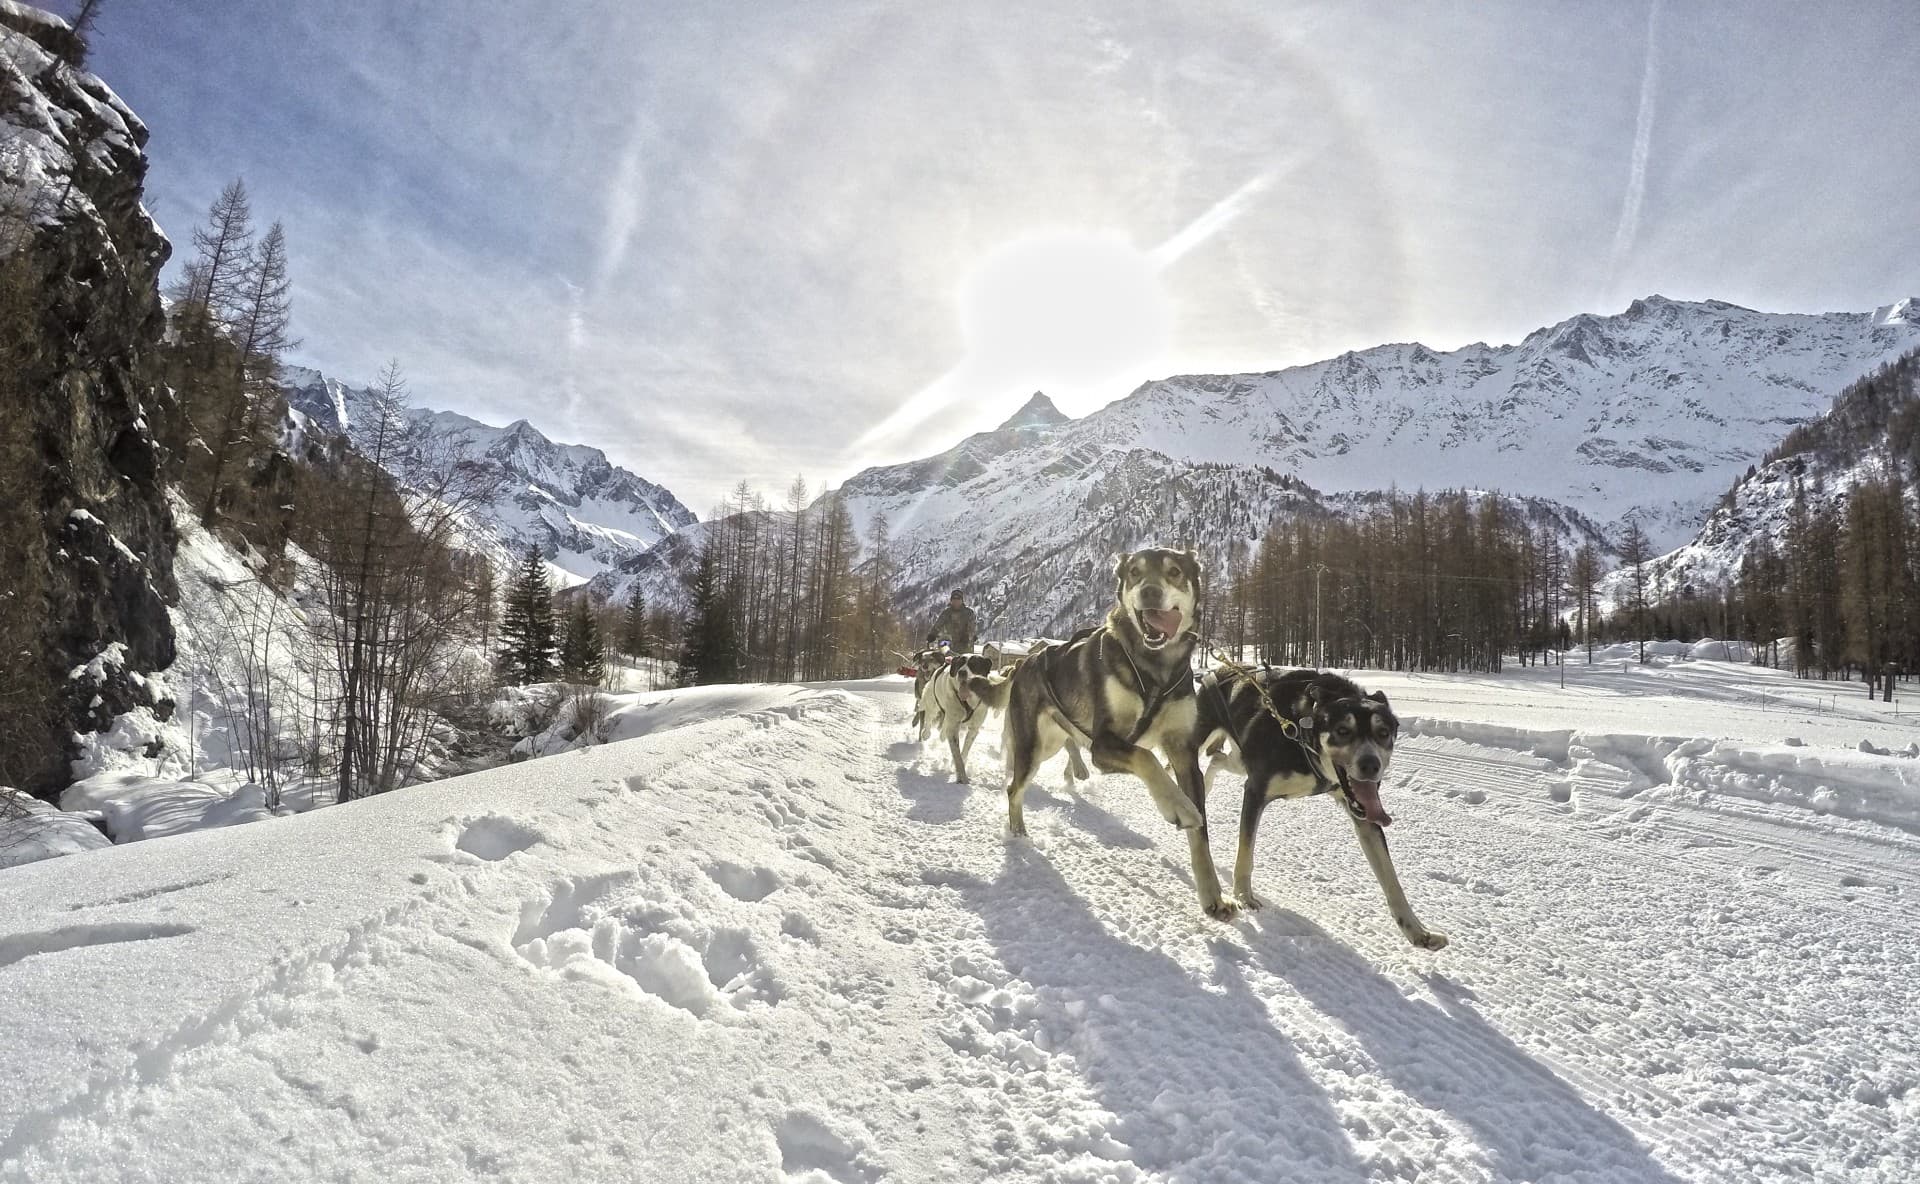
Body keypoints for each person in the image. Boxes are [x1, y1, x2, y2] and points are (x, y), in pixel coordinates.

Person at [926, 589, 977, 655]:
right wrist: (932, 634)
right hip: (951, 646)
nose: (956, 601)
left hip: (966, 646)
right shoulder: (946, 613)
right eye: (954, 599)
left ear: (962, 600)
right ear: (951, 601)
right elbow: (938, 625)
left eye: (958, 599)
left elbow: (972, 628)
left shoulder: (969, 613)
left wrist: (969, 636)